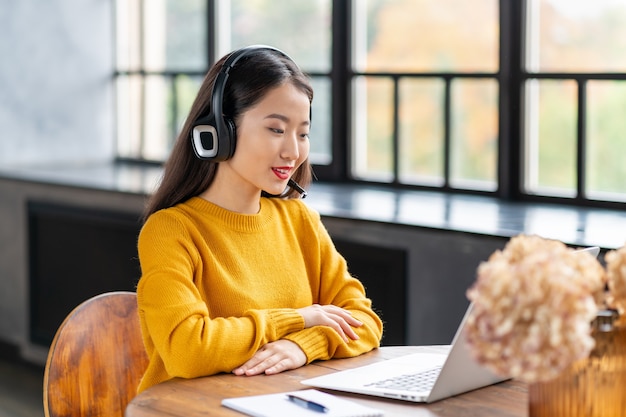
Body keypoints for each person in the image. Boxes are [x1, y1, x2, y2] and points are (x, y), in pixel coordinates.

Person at [136, 45, 383, 393]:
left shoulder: (300, 221)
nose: (293, 152)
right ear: (223, 129)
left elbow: (364, 320)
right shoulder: (171, 230)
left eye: (303, 133)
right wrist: (299, 318)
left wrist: (301, 345)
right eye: (276, 129)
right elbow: (187, 350)